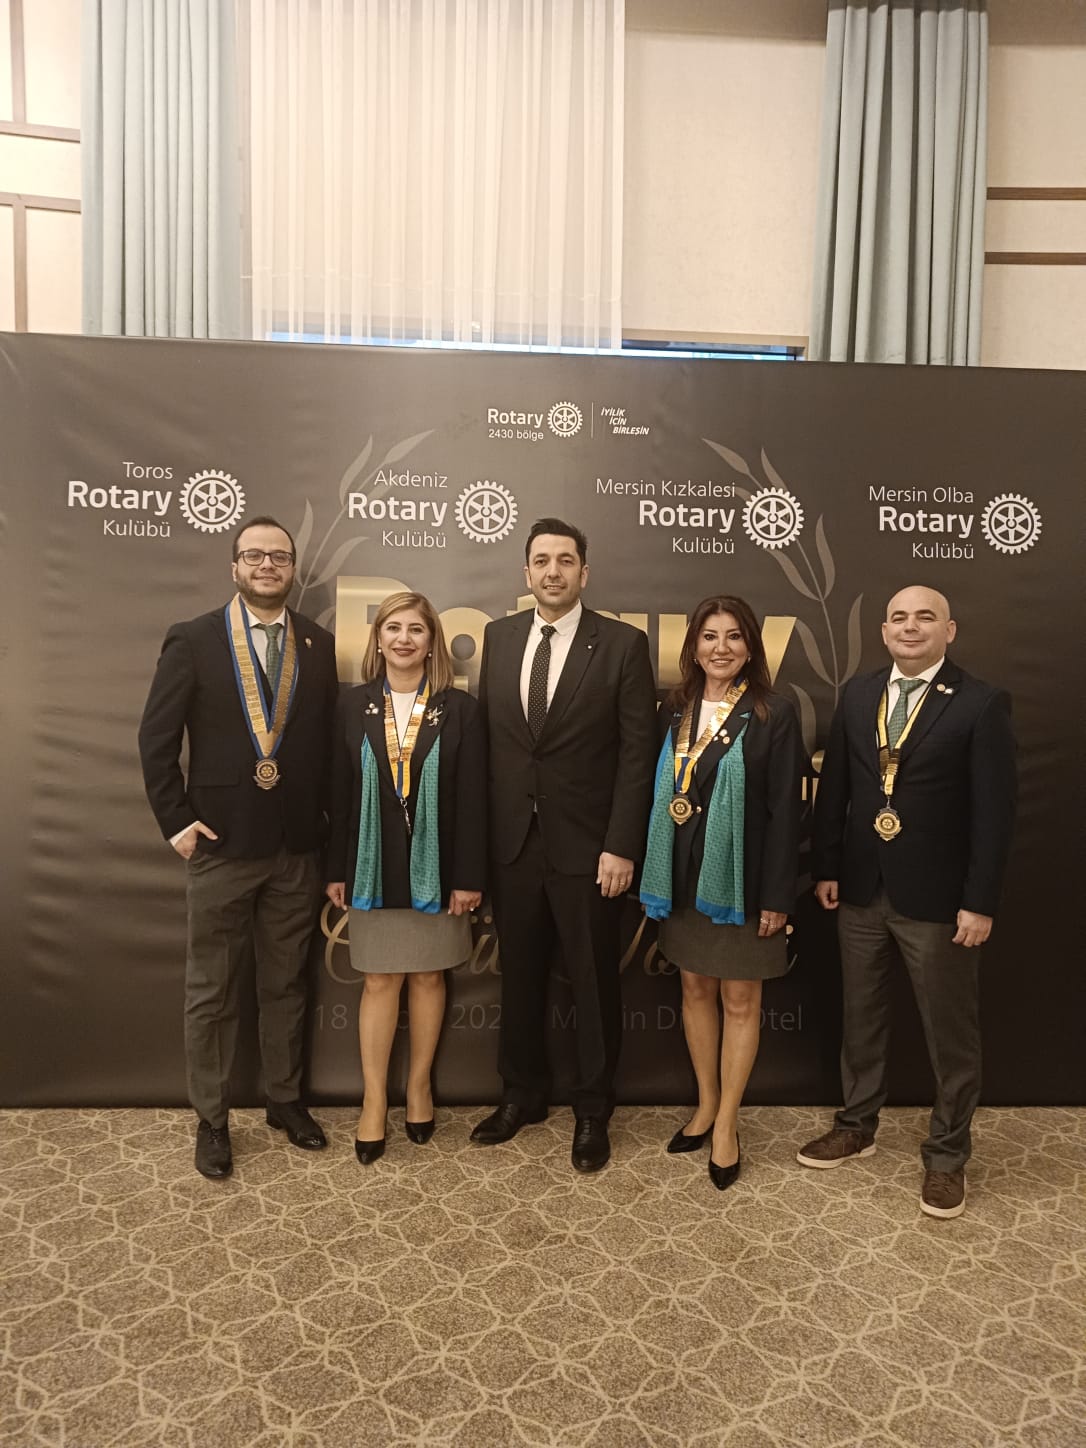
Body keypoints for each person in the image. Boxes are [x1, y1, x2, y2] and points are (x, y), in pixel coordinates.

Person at [797, 585, 1016, 1219]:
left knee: (950, 1035)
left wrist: (980, 901)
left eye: (925, 617)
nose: (910, 627)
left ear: (950, 630)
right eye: (899, 618)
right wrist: (827, 866)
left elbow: (995, 814)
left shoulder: (980, 703)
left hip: (941, 902)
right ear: (884, 631)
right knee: (861, 1019)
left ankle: (946, 1157)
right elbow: (835, 786)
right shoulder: (859, 693)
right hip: (861, 889)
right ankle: (856, 1126)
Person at [138, 516, 339, 1179]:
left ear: (293, 569)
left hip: (295, 848)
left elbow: (327, 751)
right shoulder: (194, 638)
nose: (267, 565)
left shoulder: (316, 643)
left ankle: (284, 1100)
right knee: (212, 990)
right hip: (220, 845)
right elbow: (156, 739)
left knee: (285, 984)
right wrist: (177, 821)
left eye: (279, 556)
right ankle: (213, 1119)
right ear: (235, 566)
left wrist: (326, 834)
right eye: (254, 555)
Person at [470, 518, 658, 1172]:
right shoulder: (498, 638)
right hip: (513, 845)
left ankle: (592, 1110)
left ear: (585, 572)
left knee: (592, 982)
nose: (553, 571)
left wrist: (621, 844)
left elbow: (637, 754)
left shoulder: (623, 645)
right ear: (526, 572)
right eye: (542, 560)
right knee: (519, 977)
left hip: (590, 849)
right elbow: (492, 747)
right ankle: (521, 1094)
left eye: (566, 560)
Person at [641, 596, 804, 1189]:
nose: (721, 648)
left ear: (751, 646)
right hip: (682, 879)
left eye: (734, 636)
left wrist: (778, 896)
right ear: (693, 646)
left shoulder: (773, 712)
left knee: (740, 1001)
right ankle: (706, 1103)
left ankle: (728, 1123)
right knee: (694, 990)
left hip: (745, 883)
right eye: (709, 636)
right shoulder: (675, 707)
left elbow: (786, 811)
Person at [325, 592, 485, 1165]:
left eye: (416, 629)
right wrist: (336, 870)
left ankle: (419, 1089)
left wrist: (468, 876)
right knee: (378, 982)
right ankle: (374, 1101)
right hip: (371, 864)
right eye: (393, 628)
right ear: (378, 639)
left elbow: (474, 798)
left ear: (432, 642)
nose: (404, 639)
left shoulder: (460, 709)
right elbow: (339, 793)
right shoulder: (351, 705)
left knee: (429, 978)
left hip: (439, 867)